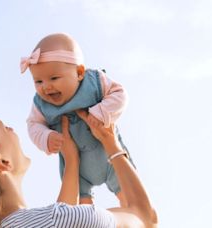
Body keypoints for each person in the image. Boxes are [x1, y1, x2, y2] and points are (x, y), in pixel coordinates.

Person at [0, 110, 157, 227]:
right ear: (2, 162)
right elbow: (146, 218)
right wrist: (109, 142)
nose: (13, 130)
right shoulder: (57, 221)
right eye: (4, 128)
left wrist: (72, 162)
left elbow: (57, 217)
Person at [21, 33, 133, 205]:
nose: (46, 87)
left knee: (131, 200)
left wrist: (102, 112)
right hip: (77, 169)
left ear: (79, 72)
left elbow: (119, 94)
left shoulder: (94, 82)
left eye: (54, 78)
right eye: (38, 81)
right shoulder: (40, 104)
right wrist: (46, 137)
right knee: (81, 213)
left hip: (110, 156)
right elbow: (33, 125)